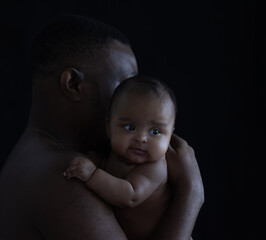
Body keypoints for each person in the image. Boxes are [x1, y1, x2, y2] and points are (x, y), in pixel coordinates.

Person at [0, 14, 204, 239]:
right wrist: (191, 193)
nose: (141, 104)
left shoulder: (29, 158)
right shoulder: (66, 175)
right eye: (125, 86)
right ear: (74, 85)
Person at [64, 75, 178, 239]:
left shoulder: (155, 167)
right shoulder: (118, 154)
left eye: (155, 131)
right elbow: (114, 174)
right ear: (109, 128)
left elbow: (129, 195)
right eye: (130, 127)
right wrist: (100, 162)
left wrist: (92, 173)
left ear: (170, 135)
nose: (141, 138)